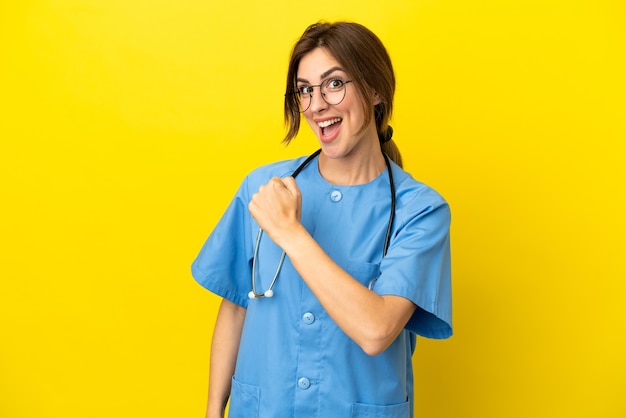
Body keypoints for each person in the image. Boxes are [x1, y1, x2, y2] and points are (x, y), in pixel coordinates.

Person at [192, 21, 452, 418]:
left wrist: (291, 234)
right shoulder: (264, 188)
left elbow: (376, 330)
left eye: (333, 84)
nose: (315, 106)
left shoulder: (421, 211)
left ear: (376, 89)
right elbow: (235, 307)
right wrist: (213, 411)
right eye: (305, 90)